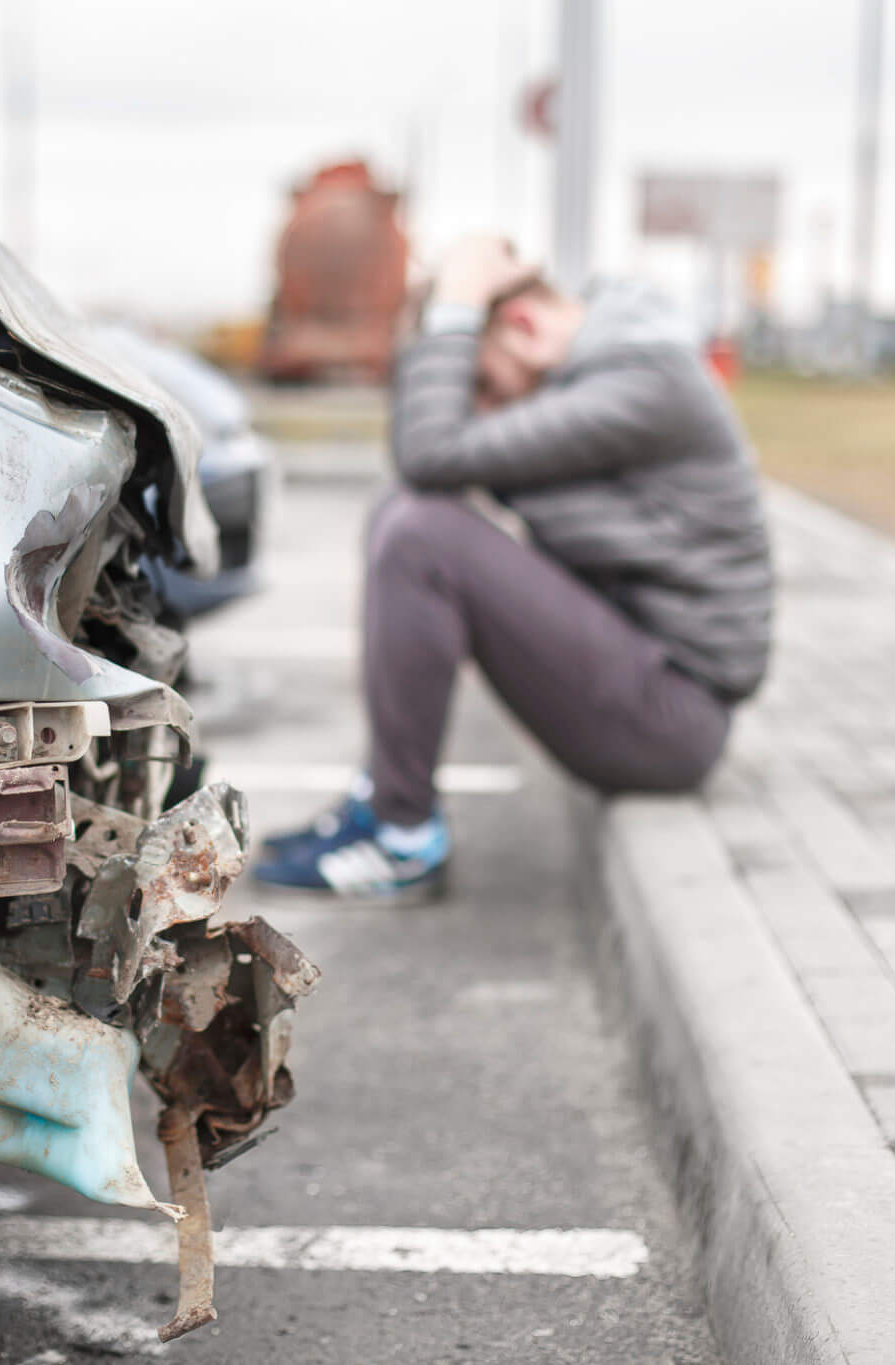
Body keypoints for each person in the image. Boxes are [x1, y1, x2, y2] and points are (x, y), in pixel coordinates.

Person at [252, 235, 774, 900]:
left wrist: (457, 303)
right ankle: (382, 798)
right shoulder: (617, 367)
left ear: (523, 327)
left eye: (486, 388)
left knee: (423, 533)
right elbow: (429, 461)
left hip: (674, 714)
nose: (484, 416)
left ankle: (401, 837)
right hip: (643, 677)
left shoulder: (644, 381)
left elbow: (432, 449)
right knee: (408, 508)